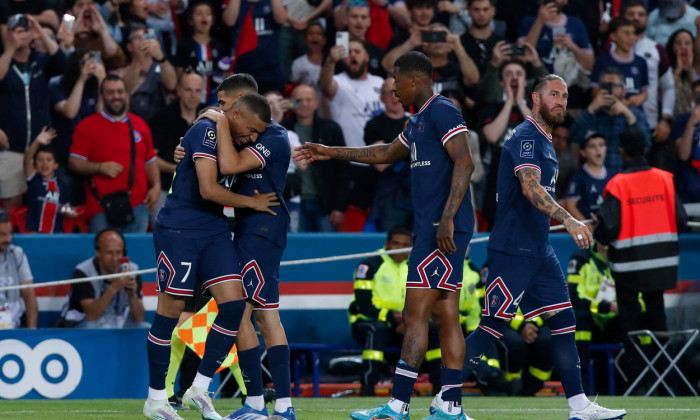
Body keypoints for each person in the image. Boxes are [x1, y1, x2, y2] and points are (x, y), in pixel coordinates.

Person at [296, 50, 475, 420]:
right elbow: (382, 153)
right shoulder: (418, 122)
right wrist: (330, 152)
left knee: (415, 315)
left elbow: (465, 161)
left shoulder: (442, 110)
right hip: (437, 226)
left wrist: (447, 218)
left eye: (395, 79)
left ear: (413, 79)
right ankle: (451, 406)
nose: (392, 87)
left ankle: (398, 404)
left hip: (439, 228)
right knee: (445, 314)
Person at [461, 74, 626, 420]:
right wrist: (569, 219)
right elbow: (530, 188)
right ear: (535, 98)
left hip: (539, 250)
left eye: (565, 96)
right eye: (553, 94)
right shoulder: (525, 136)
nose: (561, 101)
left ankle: (578, 406)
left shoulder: (546, 140)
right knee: (492, 325)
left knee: (565, 321)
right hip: (514, 250)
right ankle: (445, 399)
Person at [143, 92, 279, 420]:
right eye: (251, 129)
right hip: (180, 228)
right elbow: (207, 189)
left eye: (259, 132)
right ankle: (156, 399)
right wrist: (252, 204)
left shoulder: (233, 134)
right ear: (235, 113)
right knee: (170, 311)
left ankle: (199, 388)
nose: (254, 137)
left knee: (233, 307)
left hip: (214, 227)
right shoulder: (206, 129)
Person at [196, 74, 295, 420]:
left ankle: (268, 403)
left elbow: (229, 166)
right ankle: (269, 404)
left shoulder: (274, 137)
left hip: (263, 228)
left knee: (242, 313)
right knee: (262, 315)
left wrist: (218, 120)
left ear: (240, 104)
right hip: (250, 229)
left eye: (224, 104)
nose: (219, 109)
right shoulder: (240, 132)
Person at [594, 127, 687, 388]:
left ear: (621, 150)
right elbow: (680, 219)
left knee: (631, 322)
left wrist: (598, 226)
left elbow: (608, 229)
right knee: (658, 318)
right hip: (662, 266)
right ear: (645, 149)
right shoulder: (665, 179)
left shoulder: (617, 184)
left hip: (628, 267)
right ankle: (665, 379)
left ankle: (639, 381)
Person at [349, 226, 442, 396]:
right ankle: (367, 388)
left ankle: (440, 389)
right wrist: (394, 318)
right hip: (369, 322)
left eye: (405, 245)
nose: (400, 248)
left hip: (407, 323)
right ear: (387, 244)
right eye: (396, 244)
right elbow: (363, 305)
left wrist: (410, 321)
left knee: (432, 330)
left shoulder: (416, 266)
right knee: (377, 329)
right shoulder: (370, 264)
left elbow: (427, 301)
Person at [69, 74, 161, 233]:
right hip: (100, 206)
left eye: (119, 91)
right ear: (102, 96)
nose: (116, 96)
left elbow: (150, 160)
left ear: (127, 94)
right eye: (110, 92)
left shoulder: (140, 124)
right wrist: (99, 167)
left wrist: (157, 186)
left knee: (135, 256)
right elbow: (74, 163)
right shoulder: (86, 126)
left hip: (138, 204)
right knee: (105, 256)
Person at [0, 13, 66, 211]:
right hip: (11, 148)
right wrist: (10, 48)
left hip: (42, 149)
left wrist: (41, 33)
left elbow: (61, 62)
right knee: (13, 203)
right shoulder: (5, 62)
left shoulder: (41, 60)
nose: (23, 36)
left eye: (26, 31)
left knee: (43, 202)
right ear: (9, 34)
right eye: (18, 31)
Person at [281, 84, 350, 232]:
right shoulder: (281, 129)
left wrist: (340, 207)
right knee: (297, 249)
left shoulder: (331, 129)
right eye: (299, 100)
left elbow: (343, 170)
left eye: (309, 100)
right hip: (292, 200)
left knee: (327, 250)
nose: (304, 104)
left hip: (325, 203)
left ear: (316, 102)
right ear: (291, 103)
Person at [59, 228, 148, 329]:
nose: (115, 258)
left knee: (144, 328)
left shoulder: (133, 270)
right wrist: (113, 288)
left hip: (119, 324)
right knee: (92, 327)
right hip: (82, 324)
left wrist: (132, 295)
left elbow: (139, 318)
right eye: (109, 253)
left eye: (118, 252)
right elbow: (91, 316)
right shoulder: (83, 272)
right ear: (98, 252)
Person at [568, 67, 650, 174]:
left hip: (626, 177)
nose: (610, 90)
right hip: (597, 178)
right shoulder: (591, 114)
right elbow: (572, 138)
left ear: (623, 91)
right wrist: (591, 109)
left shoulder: (636, 115)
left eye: (615, 86)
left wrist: (629, 117)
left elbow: (646, 147)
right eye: (605, 86)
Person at [566, 240, 622, 395]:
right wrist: (605, 307)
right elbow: (574, 298)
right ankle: (582, 387)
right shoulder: (580, 259)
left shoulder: (621, 260)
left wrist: (623, 308)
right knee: (581, 318)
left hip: (613, 322)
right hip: (589, 320)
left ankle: (640, 383)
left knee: (638, 319)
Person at [149, 70, 205, 221]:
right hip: (166, 188)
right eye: (188, 90)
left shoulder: (210, 118)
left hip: (201, 191)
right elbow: (150, 157)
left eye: (197, 90)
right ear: (179, 90)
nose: (193, 95)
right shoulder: (162, 117)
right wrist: (177, 169)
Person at [22, 127, 73, 233]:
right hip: (35, 234)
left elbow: (66, 208)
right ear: (35, 165)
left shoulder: (62, 186)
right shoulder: (34, 180)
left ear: (55, 165)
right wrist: (37, 141)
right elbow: (27, 160)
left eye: (49, 160)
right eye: (40, 160)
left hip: (56, 234)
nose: (44, 163)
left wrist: (69, 212)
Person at [564, 132, 611, 231]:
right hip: (590, 234)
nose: (598, 150)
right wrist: (586, 226)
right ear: (583, 153)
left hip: (609, 230)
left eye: (601, 145)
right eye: (592, 146)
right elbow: (570, 205)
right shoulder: (578, 178)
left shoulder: (613, 175)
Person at [0, 209, 37, 329]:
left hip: (14, 328)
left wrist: (32, 331)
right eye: (2, 235)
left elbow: (29, 293)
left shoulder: (17, 254)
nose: (8, 239)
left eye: (9, 233)